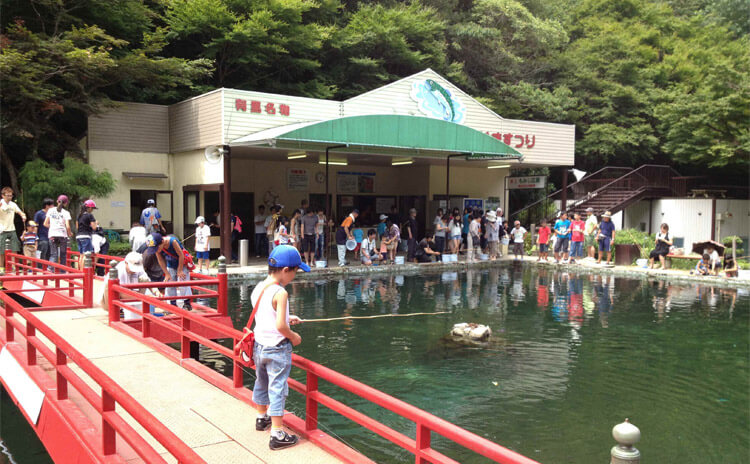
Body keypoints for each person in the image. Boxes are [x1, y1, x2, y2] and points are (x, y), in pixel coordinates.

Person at [249, 245, 308, 450]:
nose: (295, 275)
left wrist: (287, 317)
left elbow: (265, 315)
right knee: (278, 388)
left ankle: (261, 417)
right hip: (277, 348)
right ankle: (277, 433)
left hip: (259, 346)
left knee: (261, 381)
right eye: (295, 271)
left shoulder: (259, 287)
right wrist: (294, 336)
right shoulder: (281, 293)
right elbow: (280, 326)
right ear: (285, 270)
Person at [153, 233, 193, 311]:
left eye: (157, 248)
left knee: (183, 282)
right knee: (170, 283)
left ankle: (187, 303)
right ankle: (172, 304)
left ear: (161, 243)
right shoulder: (156, 248)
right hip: (170, 265)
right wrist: (166, 274)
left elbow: (181, 255)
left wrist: (180, 269)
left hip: (182, 264)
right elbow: (160, 260)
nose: (156, 250)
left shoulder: (172, 242)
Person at [0, 187, 26, 269]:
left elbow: (19, 212)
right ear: (3, 196)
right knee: (2, 250)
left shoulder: (13, 204)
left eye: (11, 196)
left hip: (12, 229)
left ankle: (14, 266)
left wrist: (23, 215)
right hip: (2, 230)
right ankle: (1, 267)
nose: (9, 197)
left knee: (15, 248)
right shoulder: (1, 203)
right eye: (7, 196)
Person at [45, 195, 72, 269]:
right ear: (66, 203)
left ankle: (50, 270)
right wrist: (69, 233)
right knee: (63, 254)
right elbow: (68, 226)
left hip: (52, 234)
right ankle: (62, 271)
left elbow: (45, 223)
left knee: (53, 254)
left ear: (57, 201)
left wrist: (53, 227)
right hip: (62, 235)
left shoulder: (50, 210)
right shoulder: (66, 213)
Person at [75, 199, 98, 270]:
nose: (92, 210)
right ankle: (83, 272)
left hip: (79, 236)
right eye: (93, 208)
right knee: (86, 255)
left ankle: (80, 272)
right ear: (90, 208)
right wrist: (96, 223)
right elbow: (94, 227)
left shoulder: (79, 215)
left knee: (81, 255)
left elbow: (77, 226)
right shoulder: (89, 215)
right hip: (86, 236)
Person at [33, 198, 54, 266]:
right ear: (47, 206)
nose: (53, 206)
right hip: (42, 236)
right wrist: (35, 237)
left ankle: (48, 267)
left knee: (50, 253)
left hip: (50, 235)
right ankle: (40, 268)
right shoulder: (39, 214)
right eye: (52, 205)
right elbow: (36, 225)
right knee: (42, 253)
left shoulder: (52, 214)